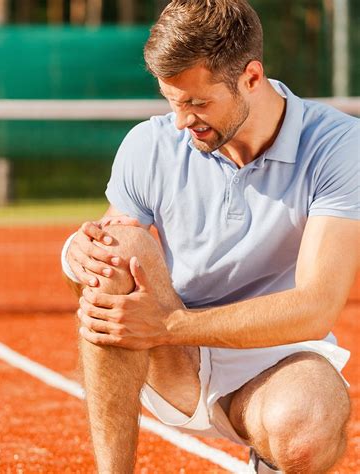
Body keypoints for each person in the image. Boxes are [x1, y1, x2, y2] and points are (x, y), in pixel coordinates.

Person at [61, 1, 359, 472]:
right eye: (172, 101)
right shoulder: (149, 143)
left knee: (306, 431)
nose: (182, 121)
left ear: (252, 78)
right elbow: (106, 253)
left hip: (275, 361)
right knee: (112, 250)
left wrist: (169, 323)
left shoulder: (339, 146)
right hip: (173, 360)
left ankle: (270, 455)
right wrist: (75, 254)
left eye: (198, 102)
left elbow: (318, 304)